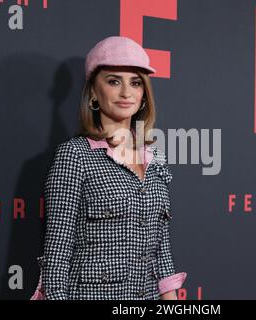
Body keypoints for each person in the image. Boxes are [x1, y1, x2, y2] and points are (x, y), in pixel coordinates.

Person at [32, 36, 187, 300]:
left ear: (144, 94)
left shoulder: (156, 156)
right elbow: (57, 253)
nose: (127, 92)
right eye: (114, 81)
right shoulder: (75, 156)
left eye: (136, 83)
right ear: (93, 91)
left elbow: (161, 247)